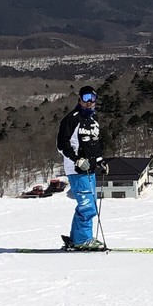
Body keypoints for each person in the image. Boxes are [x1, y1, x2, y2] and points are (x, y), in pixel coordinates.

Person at [56, 87, 105, 251]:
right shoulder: (71, 119)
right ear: (79, 99)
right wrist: (77, 160)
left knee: (89, 205)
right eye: (86, 97)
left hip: (90, 169)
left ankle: (77, 238)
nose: (89, 101)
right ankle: (83, 240)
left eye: (92, 98)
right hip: (76, 170)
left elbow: (95, 144)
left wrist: (100, 161)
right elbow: (62, 145)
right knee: (87, 206)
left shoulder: (94, 119)